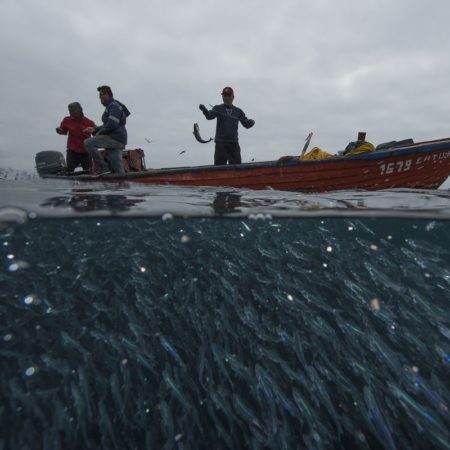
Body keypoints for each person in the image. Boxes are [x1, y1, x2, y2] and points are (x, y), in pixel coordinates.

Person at [199, 87, 255, 165]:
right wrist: (204, 111)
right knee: (219, 170)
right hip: (220, 144)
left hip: (234, 144)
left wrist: (252, 122)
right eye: (224, 95)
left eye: (228, 95)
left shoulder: (238, 111)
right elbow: (209, 116)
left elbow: (246, 124)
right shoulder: (217, 108)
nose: (226, 97)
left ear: (233, 97)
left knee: (237, 169)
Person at [83, 85, 130, 175]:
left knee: (88, 143)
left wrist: (99, 133)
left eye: (101, 95)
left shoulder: (114, 106)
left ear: (107, 94)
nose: (99, 98)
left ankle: (104, 168)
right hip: (117, 140)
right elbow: (107, 124)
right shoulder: (111, 106)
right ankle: (122, 183)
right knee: (119, 172)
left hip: (115, 139)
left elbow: (112, 125)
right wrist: (94, 129)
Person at [56, 102, 95, 172]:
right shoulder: (66, 120)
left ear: (79, 110)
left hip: (85, 151)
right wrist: (59, 131)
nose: (71, 113)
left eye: (73, 111)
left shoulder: (89, 122)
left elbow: (97, 133)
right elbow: (63, 131)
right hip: (72, 151)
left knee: (89, 171)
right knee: (69, 171)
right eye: (70, 111)